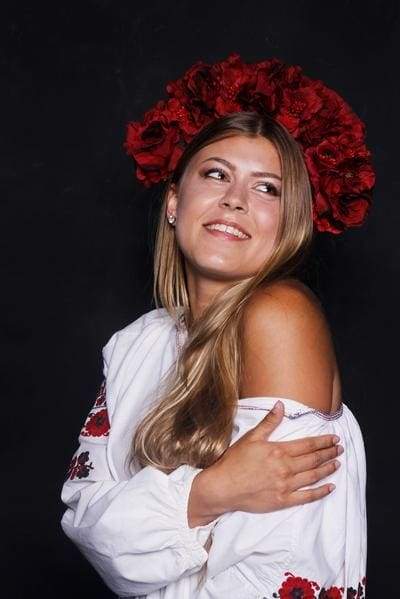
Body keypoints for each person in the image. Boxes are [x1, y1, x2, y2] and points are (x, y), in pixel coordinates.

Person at [61, 55, 374, 599]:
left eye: (267, 189)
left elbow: (281, 567)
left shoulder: (280, 316)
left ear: (289, 225)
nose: (235, 199)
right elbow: (88, 525)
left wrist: (154, 523)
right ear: (176, 203)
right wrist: (205, 495)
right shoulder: (138, 343)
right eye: (216, 174)